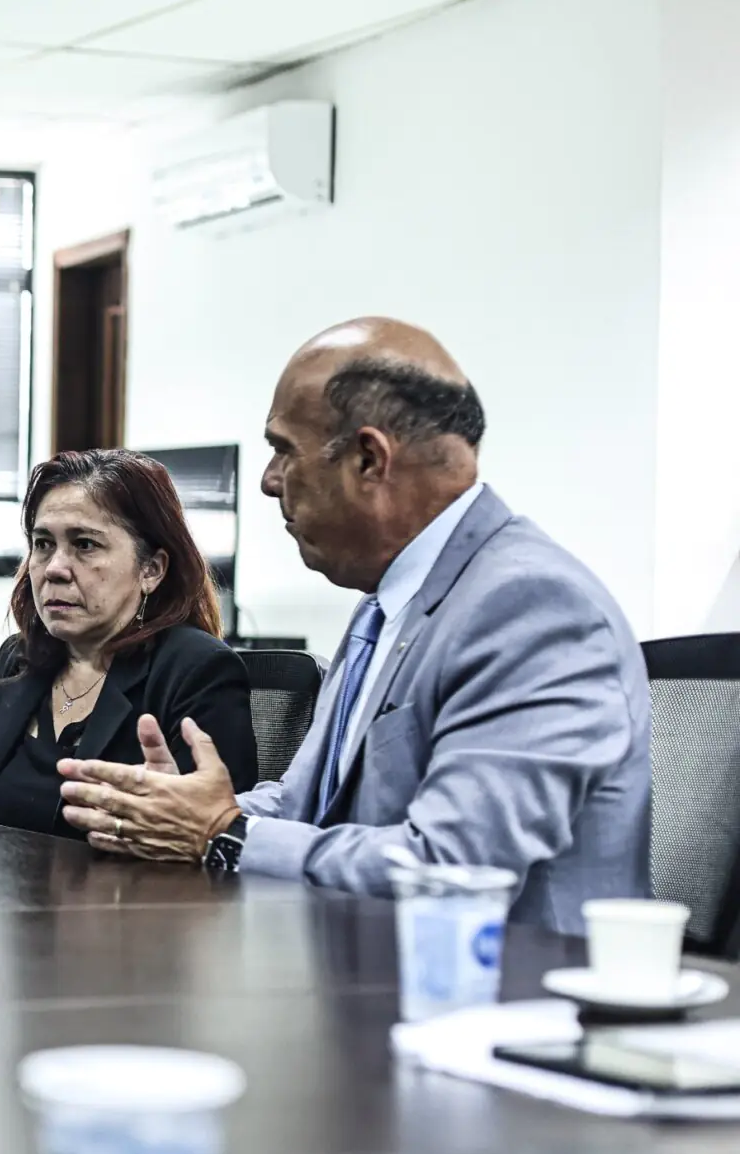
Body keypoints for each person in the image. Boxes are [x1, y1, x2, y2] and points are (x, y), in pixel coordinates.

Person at [58, 319, 651, 934]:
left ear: (369, 459)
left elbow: (451, 866)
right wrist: (172, 809)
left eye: (284, 449)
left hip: (506, 984)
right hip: (368, 964)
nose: (268, 480)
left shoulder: (529, 607)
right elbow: (309, 801)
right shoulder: (386, 603)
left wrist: (223, 833)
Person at [0, 449, 259, 836]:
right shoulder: (20, 659)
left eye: (84, 545)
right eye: (43, 544)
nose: (54, 568)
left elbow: (211, 844)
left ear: (151, 570)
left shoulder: (196, 670)